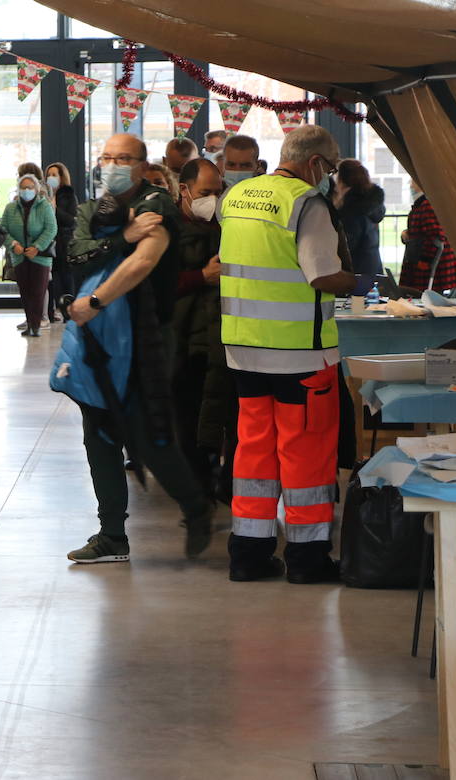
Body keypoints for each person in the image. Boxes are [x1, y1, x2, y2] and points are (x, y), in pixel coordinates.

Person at [58, 133, 214, 565]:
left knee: (146, 437)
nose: (113, 164)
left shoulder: (157, 203)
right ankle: (112, 535)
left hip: (143, 339)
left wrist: (94, 300)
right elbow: (76, 255)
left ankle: (195, 506)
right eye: (107, 157)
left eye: (123, 158)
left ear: (144, 165)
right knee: (100, 435)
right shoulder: (95, 206)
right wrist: (123, 236)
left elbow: (143, 260)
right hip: (98, 339)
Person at [219, 125, 357, 583]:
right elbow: (321, 275)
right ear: (316, 163)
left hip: (243, 351)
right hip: (300, 354)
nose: (330, 177)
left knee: (253, 454)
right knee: (307, 457)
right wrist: (360, 282)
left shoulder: (236, 199)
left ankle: (248, 556)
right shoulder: (307, 204)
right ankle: (306, 560)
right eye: (331, 168)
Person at [170, 158, 227, 501]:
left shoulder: (224, 227)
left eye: (218, 192)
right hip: (179, 340)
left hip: (217, 339)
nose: (213, 200)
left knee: (214, 415)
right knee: (186, 416)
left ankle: (214, 479)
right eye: (206, 193)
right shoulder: (162, 230)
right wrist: (200, 277)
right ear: (185, 191)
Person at [3, 173, 57, 338]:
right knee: (25, 292)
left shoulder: (44, 206)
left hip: (40, 257)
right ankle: (29, 322)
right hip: (19, 256)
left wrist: (37, 246)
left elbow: (51, 229)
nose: (27, 190)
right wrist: (13, 244)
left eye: (30, 187)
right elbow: (2, 230)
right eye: (23, 187)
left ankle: (36, 324)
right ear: (18, 190)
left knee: (38, 292)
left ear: (37, 189)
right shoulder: (11, 208)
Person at [399, 181, 456, 293]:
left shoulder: (428, 205)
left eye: (413, 182)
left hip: (433, 264)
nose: (410, 185)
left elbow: (436, 237)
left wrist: (424, 261)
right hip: (425, 260)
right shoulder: (423, 204)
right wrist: (409, 233)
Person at [332, 158, 385, 276]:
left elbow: (346, 247)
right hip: (372, 269)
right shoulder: (372, 206)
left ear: (342, 181)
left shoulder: (351, 211)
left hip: (355, 274)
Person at [45, 162, 78, 325]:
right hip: (48, 243)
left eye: (54, 175)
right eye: (48, 174)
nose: (50, 178)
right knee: (50, 279)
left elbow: (71, 220)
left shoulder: (68, 195)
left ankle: (69, 312)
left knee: (66, 278)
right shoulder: (44, 195)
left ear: (61, 177)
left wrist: (55, 208)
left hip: (64, 243)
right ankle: (50, 312)